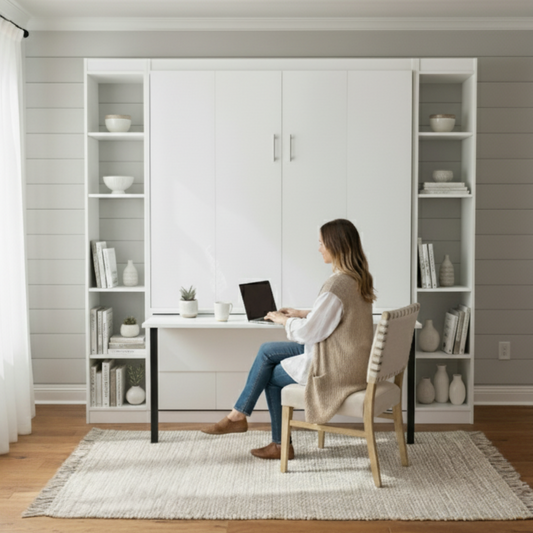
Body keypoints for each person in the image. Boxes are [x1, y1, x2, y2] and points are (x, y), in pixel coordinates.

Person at [201, 218, 375, 460]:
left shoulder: (336, 285)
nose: (319, 248)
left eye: (322, 243)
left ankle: (277, 442)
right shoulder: (357, 279)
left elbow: (308, 333)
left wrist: (284, 321)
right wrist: (301, 313)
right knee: (267, 350)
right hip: (350, 361)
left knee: (271, 378)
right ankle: (237, 416)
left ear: (336, 246)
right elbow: (337, 316)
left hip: (336, 367)